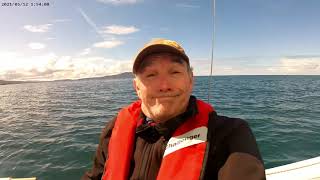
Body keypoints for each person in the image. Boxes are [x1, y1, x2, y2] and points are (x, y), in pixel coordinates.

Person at [82, 39, 266, 180]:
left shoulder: (229, 135)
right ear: (137, 87)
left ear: (191, 80)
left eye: (175, 72)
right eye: (151, 75)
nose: (164, 86)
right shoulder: (114, 129)